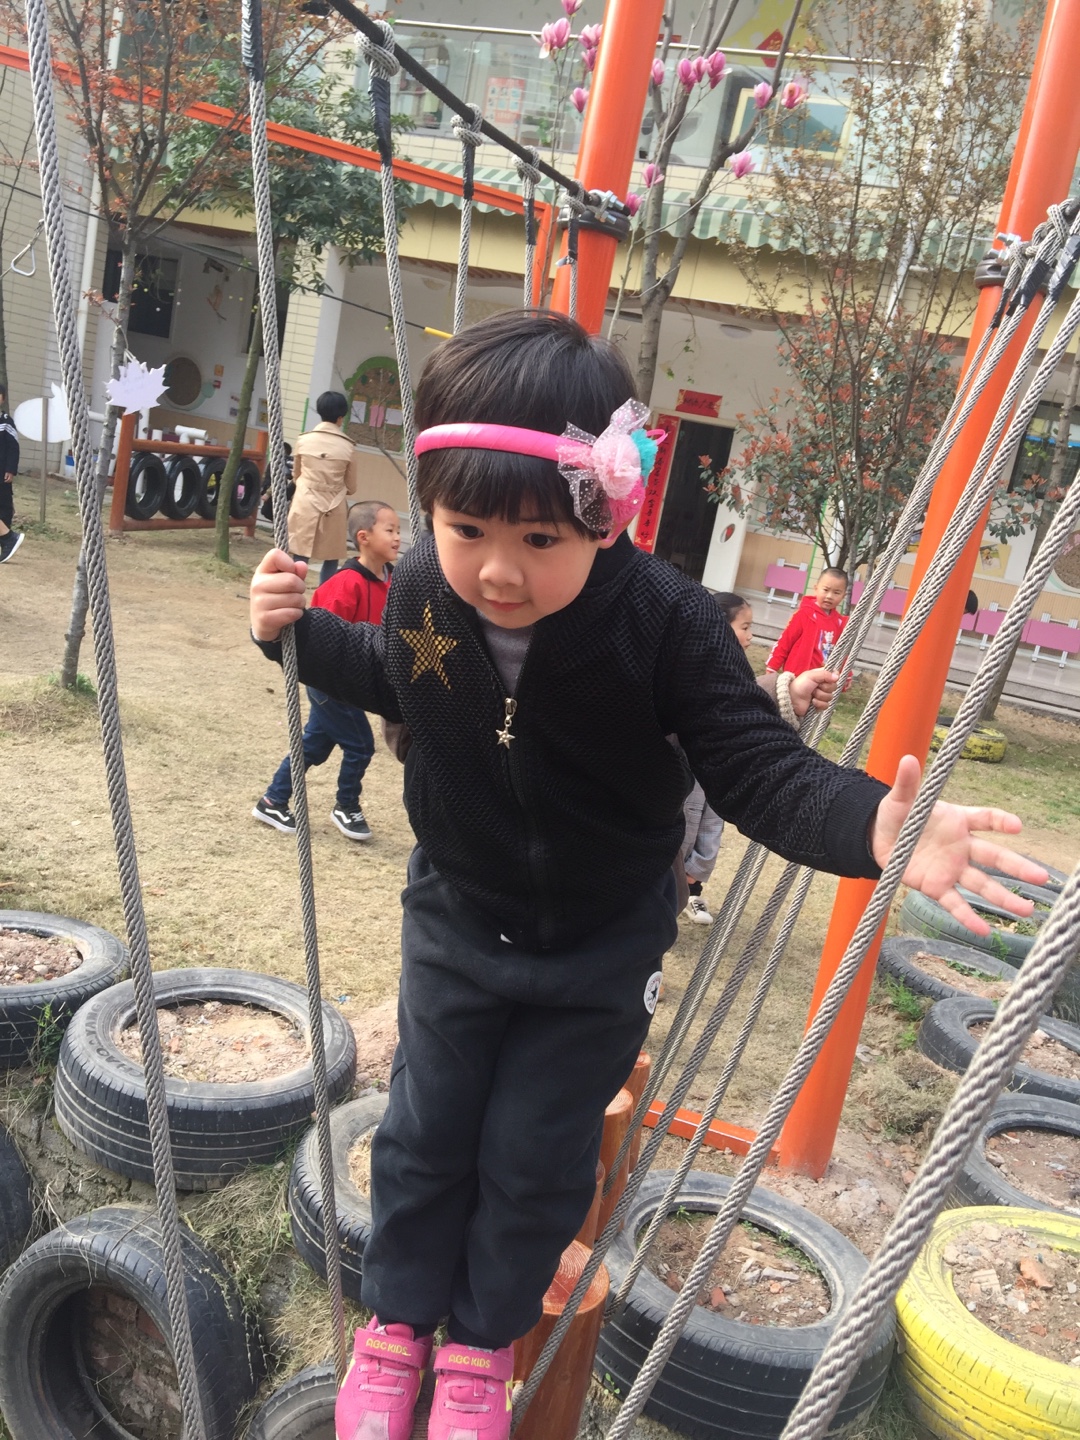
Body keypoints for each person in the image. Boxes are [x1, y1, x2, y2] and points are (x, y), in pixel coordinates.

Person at [248, 310, 1044, 1440]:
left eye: (539, 539)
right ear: (429, 509)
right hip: (460, 915)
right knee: (425, 1130)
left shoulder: (666, 624)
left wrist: (873, 825)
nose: (498, 571)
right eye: (466, 529)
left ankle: (478, 1345)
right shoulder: (428, 588)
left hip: (599, 943)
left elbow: (754, 763)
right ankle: (397, 1324)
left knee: (534, 1156)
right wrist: (292, 637)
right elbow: (400, 674)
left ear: (606, 513)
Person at [680, 591, 837, 924]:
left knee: (710, 824)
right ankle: (679, 884)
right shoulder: (688, 664)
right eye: (745, 627)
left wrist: (785, 690)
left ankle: (692, 886)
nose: (751, 635)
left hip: (714, 773)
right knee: (685, 824)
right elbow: (717, 705)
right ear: (719, 626)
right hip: (684, 776)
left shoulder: (735, 669)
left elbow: (741, 701)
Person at [253, 499, 400, 842]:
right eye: (390, 530)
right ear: (364, 537)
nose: (397, 537)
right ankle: (346, 806)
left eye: (398, 530)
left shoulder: (393, 579)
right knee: (360, 745)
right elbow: (322, 640)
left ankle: (272, 801)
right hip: (330, 682)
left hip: (356, 681)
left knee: (315, 746)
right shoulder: (345, 583)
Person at [288, 392, 360, 586]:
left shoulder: (303, 440)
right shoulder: (348, 446)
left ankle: (292, 591)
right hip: (334, 505)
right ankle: (324, 597)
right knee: (331, 556)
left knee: (300, 553)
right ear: (341, 417)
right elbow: (352, 487)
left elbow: (296, 475)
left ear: (320, 412)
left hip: (305, 500)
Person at [766, 566, 849, 675]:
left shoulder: (840, 623)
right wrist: (772, 666)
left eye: (836, 593)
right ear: (816, 588)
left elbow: (842, 652)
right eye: (825, 590)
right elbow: (785, 641)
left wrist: (846, 675)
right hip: (796, 676)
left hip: (822, 678)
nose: (829, 596)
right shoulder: (804, 615)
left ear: (843, 596)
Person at [0, 387, 23, 564]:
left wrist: (10, 469)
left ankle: (7, 538)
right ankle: (7, 539)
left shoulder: (6, 422)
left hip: (2, 472)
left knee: (4, 505)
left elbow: (13, 447)